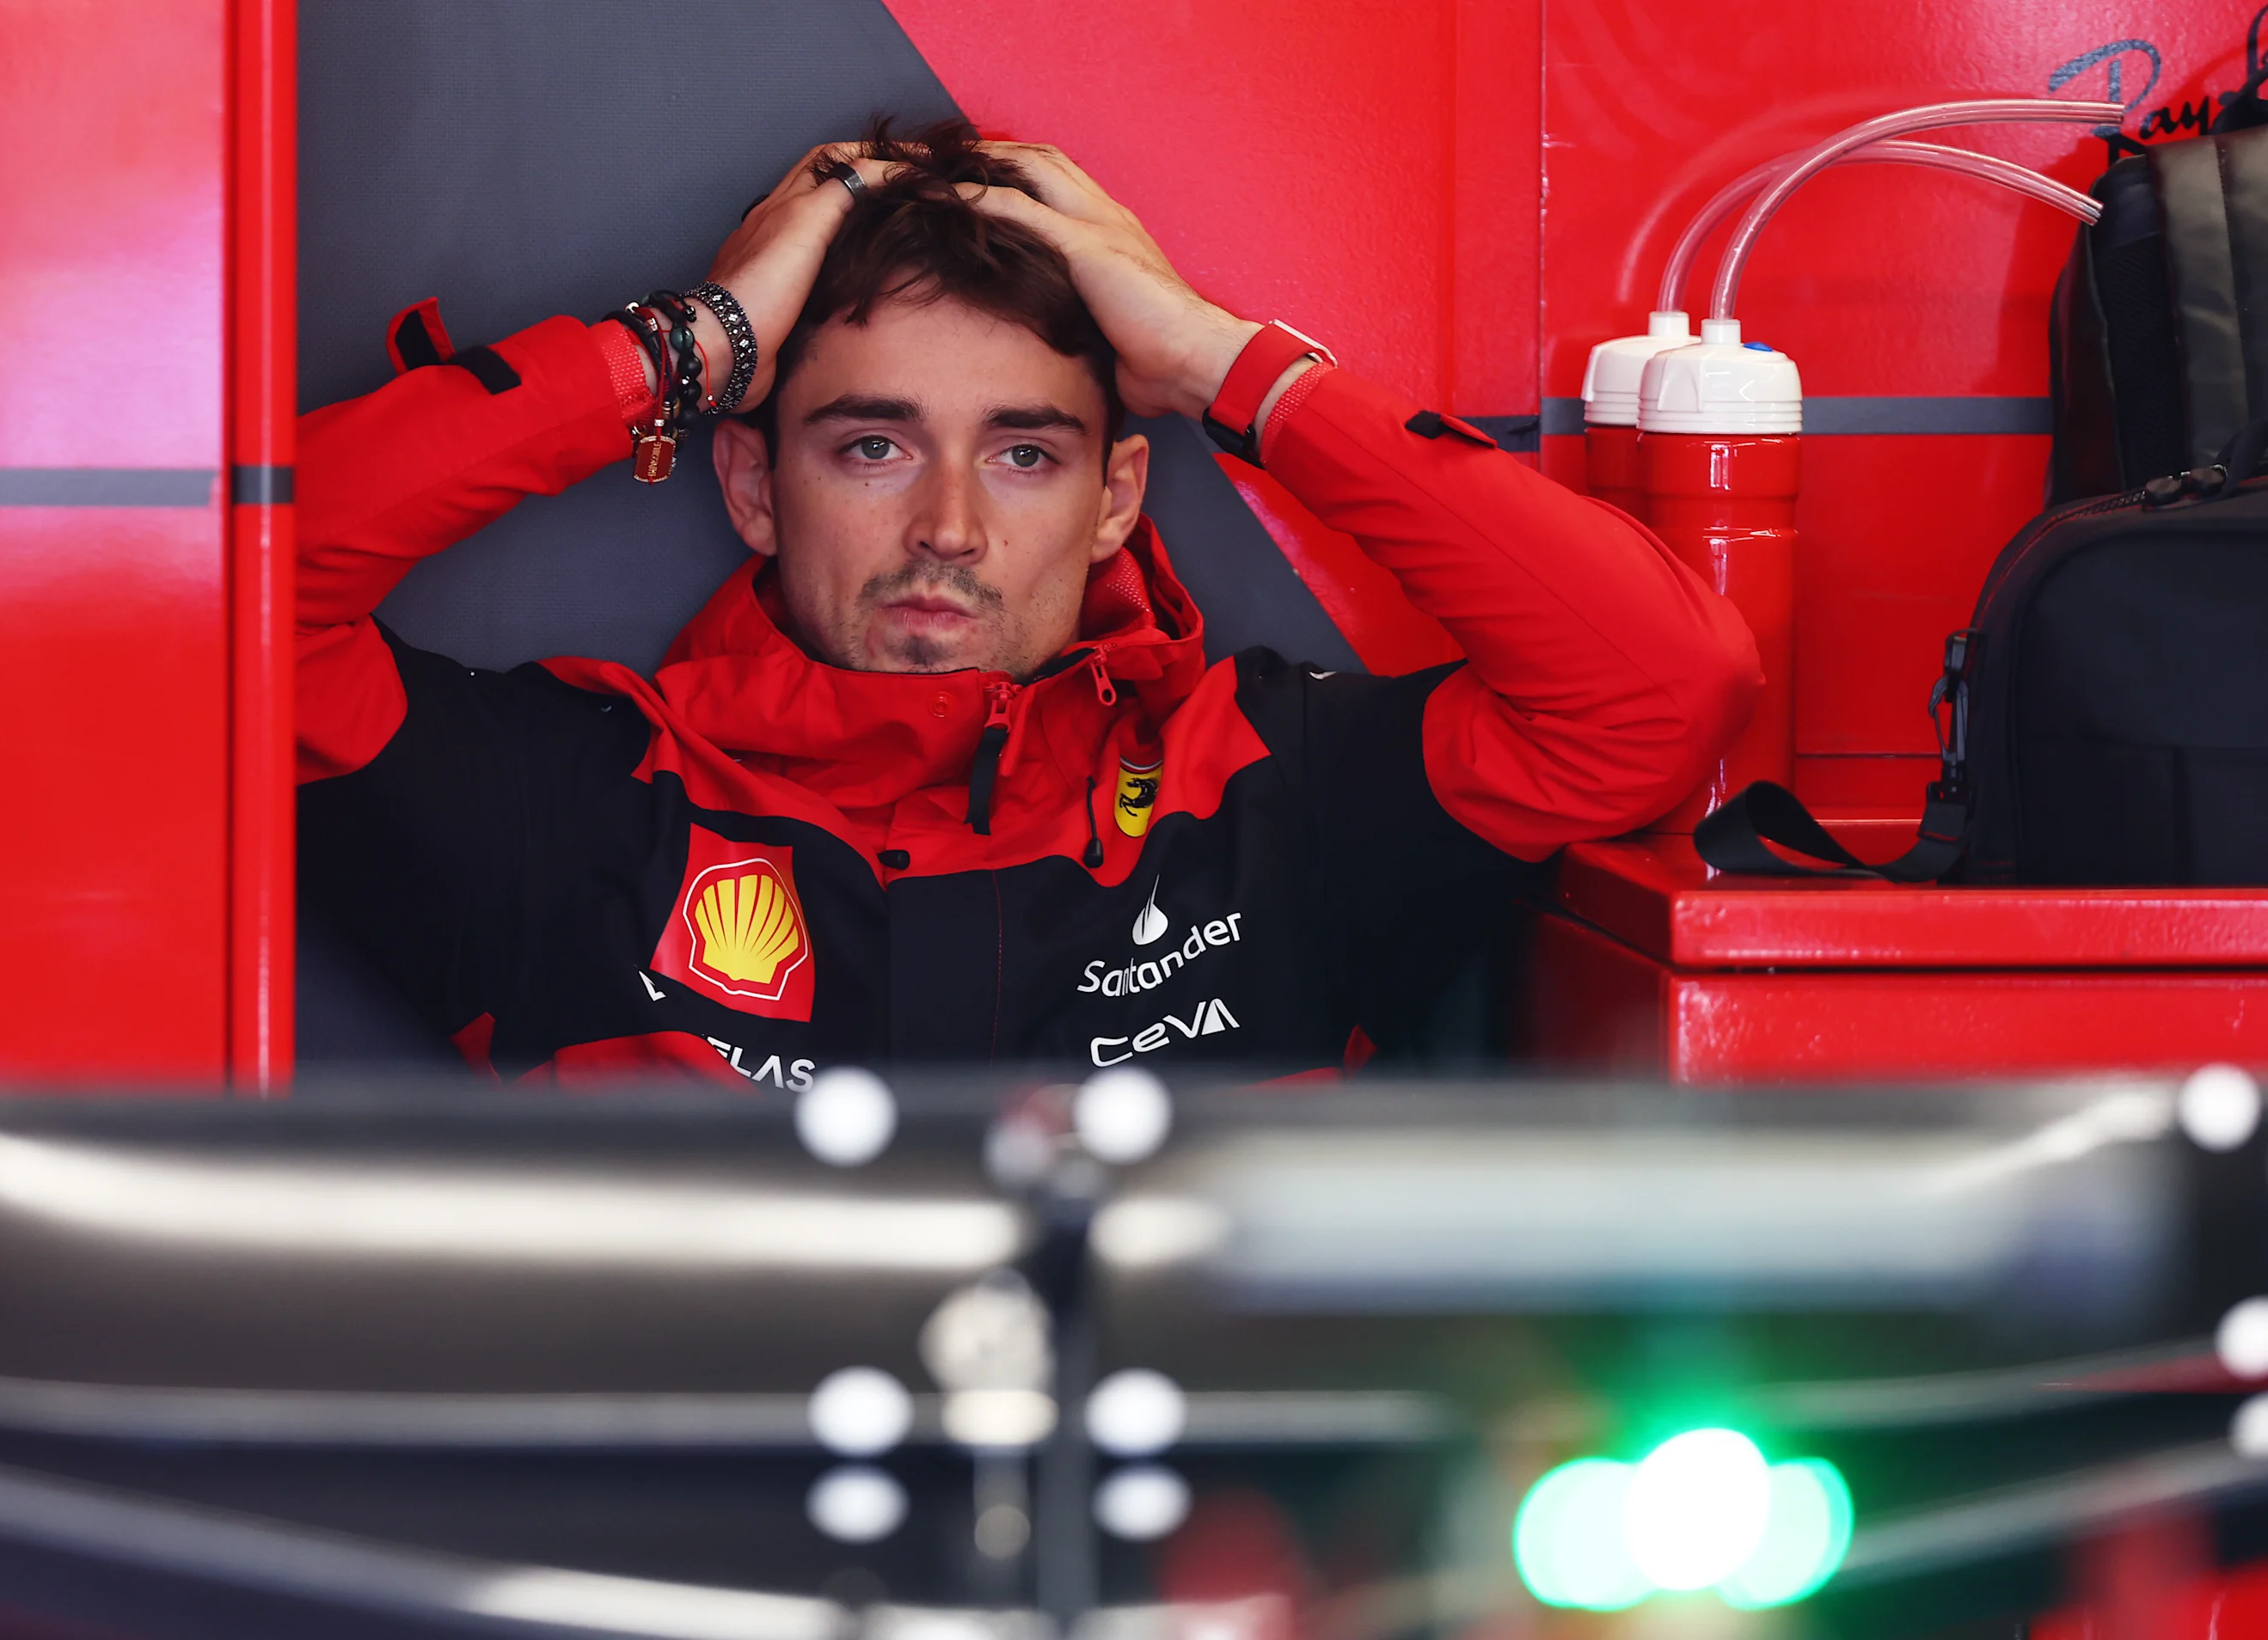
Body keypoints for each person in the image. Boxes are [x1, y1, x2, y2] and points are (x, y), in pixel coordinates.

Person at [295, 121, 1756, 1085]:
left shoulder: (1272, 787)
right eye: (872, 445)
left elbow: (1657, 689)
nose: (948, 528)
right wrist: (688, 348)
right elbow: (224, 606)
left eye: (1025, 453)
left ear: (1117, 495)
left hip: (1197, 1551)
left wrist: (1224, 365)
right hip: (700, 1551)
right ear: (749, 486)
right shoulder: (573, 805)